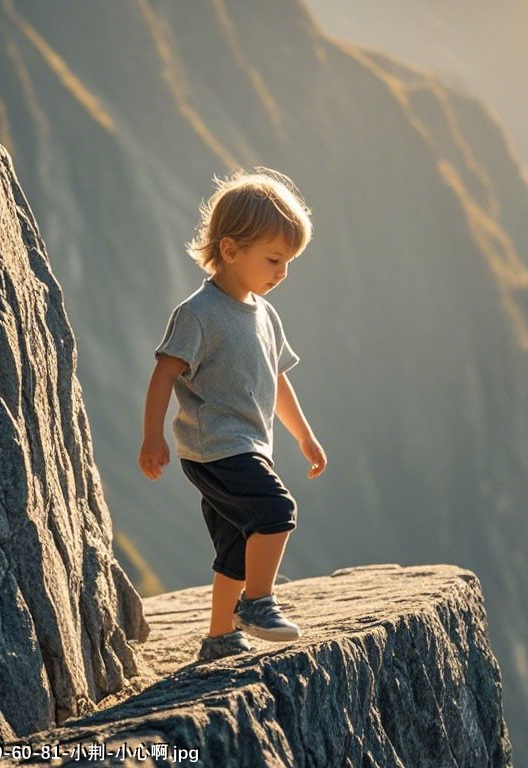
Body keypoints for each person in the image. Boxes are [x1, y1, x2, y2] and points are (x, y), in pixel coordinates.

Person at [139, 168, 327, 662]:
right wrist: (152, 437)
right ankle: (258, 603)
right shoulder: (199, 314)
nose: (281, 272)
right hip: (214, 447)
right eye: (273, 259)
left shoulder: (264, 314)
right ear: (229, 249)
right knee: (275, 511)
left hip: (244, 445)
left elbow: (277, 378)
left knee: (234, 549)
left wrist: (304, 436)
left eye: (288, 261)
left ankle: (220, 637)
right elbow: (164, 373)